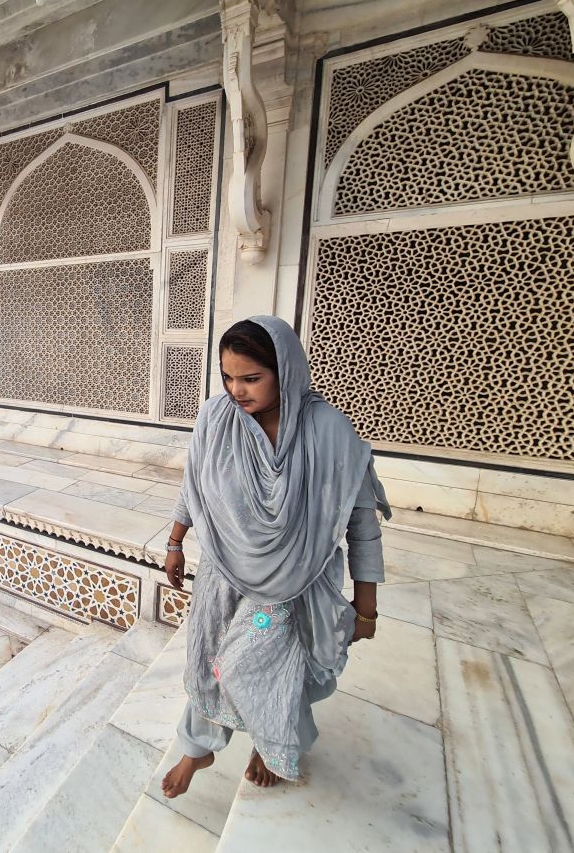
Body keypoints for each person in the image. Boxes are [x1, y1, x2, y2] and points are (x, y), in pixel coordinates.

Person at [160, 316, 390, 796]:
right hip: (226, 570)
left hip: (295, 580)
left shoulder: (328, 431)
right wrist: (176, 541)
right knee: (211, 661)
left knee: (266, 665)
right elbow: (194, 484)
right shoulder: (216, 419)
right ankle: (196, 749)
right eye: (227, 377)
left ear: (285, 371)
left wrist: (365, 608)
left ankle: (273, 743)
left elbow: (362, 528)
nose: (236, 390)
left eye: (251, 378)